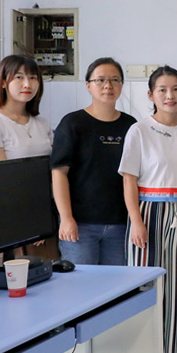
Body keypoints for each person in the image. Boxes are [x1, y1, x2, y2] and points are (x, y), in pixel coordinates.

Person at [120, 66, 177, 353]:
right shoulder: (139, 130)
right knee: (144, 286)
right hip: (147, 211)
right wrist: (136, 220)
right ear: (151, 94)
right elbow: (129, 179)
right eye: (163, 90)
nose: (170, 96)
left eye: (176, 89)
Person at [51, 57, 136, 266]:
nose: (108, 85)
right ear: (88, 85)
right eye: (100, 80)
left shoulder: (130, 125)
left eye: (115, 80)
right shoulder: (73, 123)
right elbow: (59, 172)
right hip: (81, 224)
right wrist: (66, 217)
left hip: (120, 224)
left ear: (121, 85)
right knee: (81, 283)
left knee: (117, 284)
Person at [0, 55, 52, 161]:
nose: (27, 85)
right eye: (19, 77)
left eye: (33, 78)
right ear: (3, 82)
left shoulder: (42, 122)